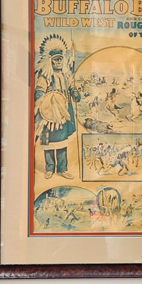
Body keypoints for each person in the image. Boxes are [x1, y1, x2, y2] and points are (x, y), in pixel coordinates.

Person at [34, 35, 79, 179]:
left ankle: (62, 169)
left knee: (62, 141)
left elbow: (73, 90)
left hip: (63, 112)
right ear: (51, 61)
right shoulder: (45, 77)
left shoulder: (66, 76)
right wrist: (43, 98)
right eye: (56, 59)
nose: (59, 62)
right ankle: (49, 168)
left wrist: (75, 93)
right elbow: (38, 92)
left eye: (60, 59)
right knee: (48, 141)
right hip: (49, 114)